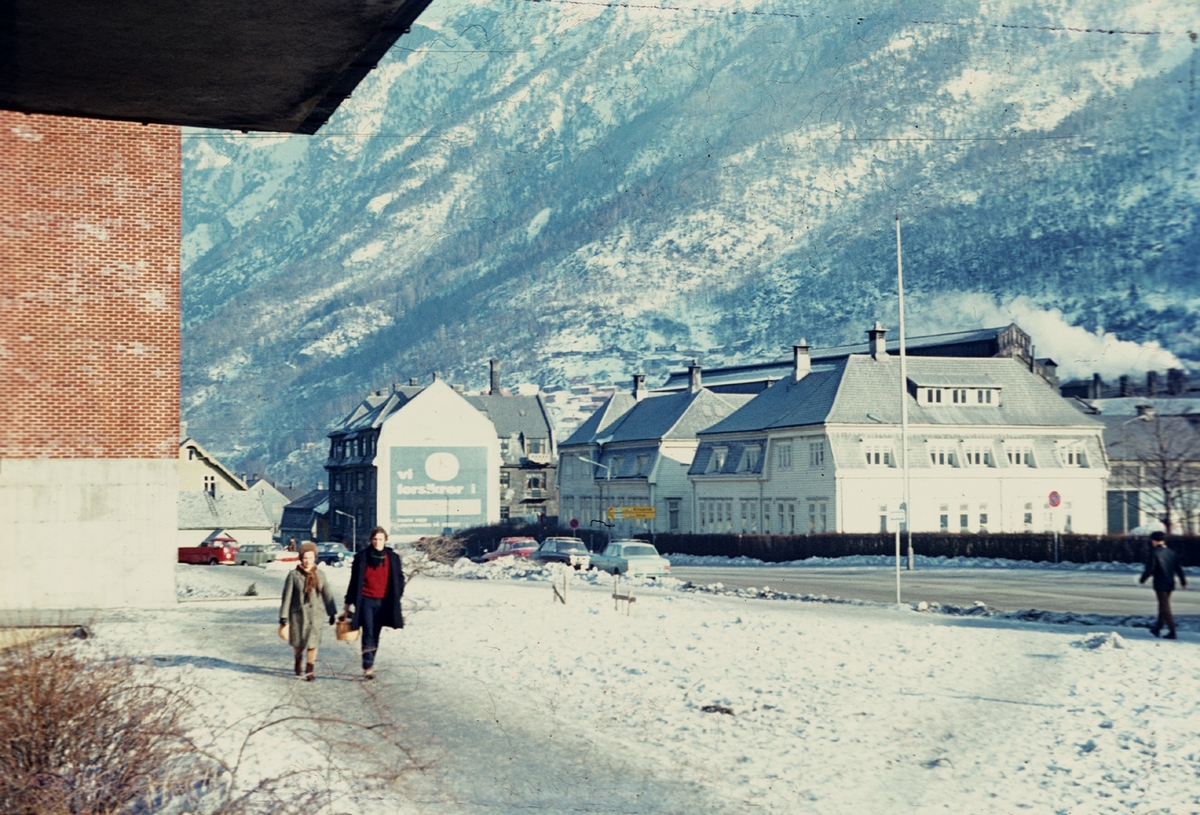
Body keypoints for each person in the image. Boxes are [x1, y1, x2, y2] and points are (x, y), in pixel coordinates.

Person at [344, 526, 405, 680]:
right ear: (371, 540)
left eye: (381, 539)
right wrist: (348, 603)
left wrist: (397, 596)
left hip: (383, 601)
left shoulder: (392, 558)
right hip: (365, 600)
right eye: (375, 539)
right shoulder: (362, 557)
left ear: (385, 540)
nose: (378, 542)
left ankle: (370, 660)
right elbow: (354, 582)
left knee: (376, 633)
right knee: (368, 632)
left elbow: (399, 578)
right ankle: (368, 666)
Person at [280, 541, 338, 680]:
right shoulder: (293, 575)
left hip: (315, 616)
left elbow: (327, 594)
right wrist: (283, 616)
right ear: (301, 558)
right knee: (298, 644)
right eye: (305, 558)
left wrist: (332, 612)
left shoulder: (320, 574)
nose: (308, 561)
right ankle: (298, 658)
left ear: (315, 558)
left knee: (313, 644)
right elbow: (286, 597)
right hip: (298, 616)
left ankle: (310, 670)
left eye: (310, 558)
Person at [1139, 530, 1187, 639]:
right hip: (1170, 583)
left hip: (1160, 584)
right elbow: (1178, 569)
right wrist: (1183, 581)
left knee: (1165, 607)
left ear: (1155, 541)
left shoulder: (1154, 553)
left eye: (1152, 540)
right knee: (1162, 605)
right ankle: (1157, 628)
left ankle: (1172, 631)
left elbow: (1150, 569)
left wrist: (1142, 579)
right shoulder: (1172, 553)